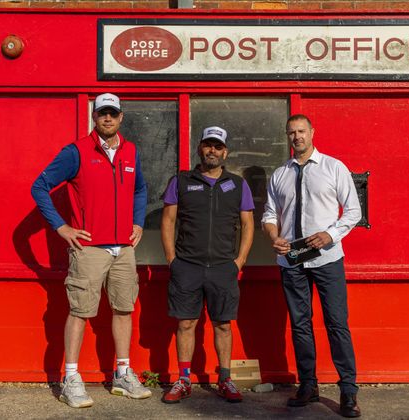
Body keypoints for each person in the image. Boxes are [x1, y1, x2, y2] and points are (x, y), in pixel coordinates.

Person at [31, 93, 151, 408]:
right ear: (94, 117)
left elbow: (140, 188)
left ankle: (122, 374)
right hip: (88, 249)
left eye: (113, 113)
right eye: (102, 114)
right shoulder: (76, 152)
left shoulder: (131, 152)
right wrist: (61, 227)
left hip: (124, 249)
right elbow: (39, 186)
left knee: (124, 309)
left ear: (121, 117)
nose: (107, 119)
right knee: (80, 312)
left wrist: (138, 221)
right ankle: (71, 378)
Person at [262, 114, 362, 417]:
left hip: (327, 259)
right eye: (291, 132)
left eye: (302, 131)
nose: (297, 137)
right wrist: (274, 236)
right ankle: (308, 385)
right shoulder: (280, 174)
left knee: (337, 324)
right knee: (300, 325)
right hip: (291, 260)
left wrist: (329, 234)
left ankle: (348, 391)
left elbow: (353, 211)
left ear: (312, 133)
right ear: (287, 136)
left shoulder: (334, 167)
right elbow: (269, 213)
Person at [160, 126, 255, 404]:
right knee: (186, 323)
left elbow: (248, 224)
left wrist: (239, 261)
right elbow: (168, 221)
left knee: (223, 324)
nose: (212, 151)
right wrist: (171, 259)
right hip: (187, 264)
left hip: (224, 266)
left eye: (217, 146)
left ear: (225, 152)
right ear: (200, 148)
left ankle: (225, 379)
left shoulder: (238, 184)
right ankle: (184, 379)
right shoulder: (181, 181)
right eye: (207, 145)